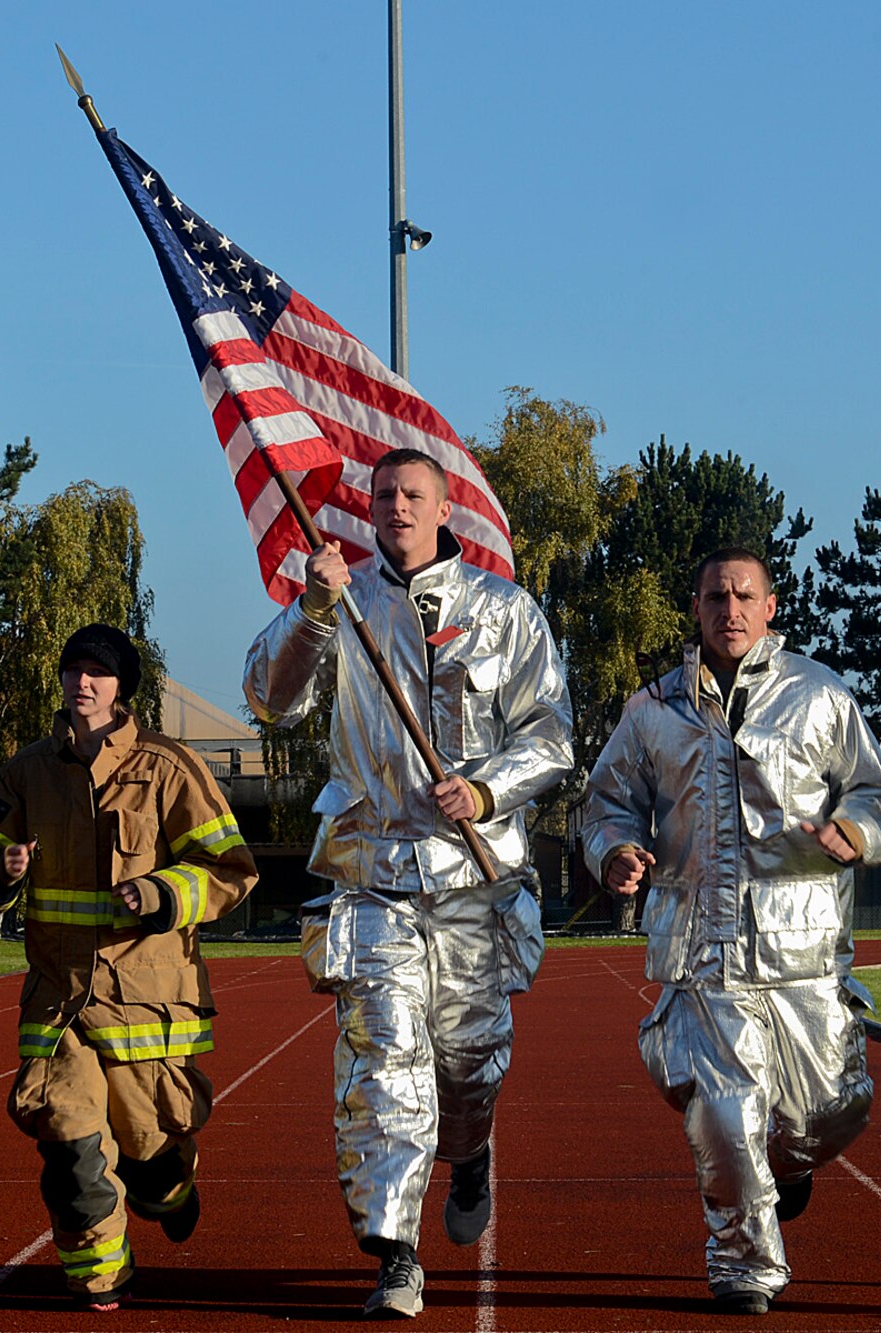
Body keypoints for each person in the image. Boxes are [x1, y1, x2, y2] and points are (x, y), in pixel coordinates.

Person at [244, 447, 573, 1319]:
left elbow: (553, 735)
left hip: (475, 878)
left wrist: (490, 785)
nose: (396, 506)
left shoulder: (505, 611)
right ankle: (395, 1249)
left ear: (443, 506)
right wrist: (312, 610)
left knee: (468, 1064)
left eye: (412, 494)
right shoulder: (341, 602)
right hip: (371, 875)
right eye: (384, 493)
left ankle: (469, 1151)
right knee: (383, 1061)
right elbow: (269, 698)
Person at [580, 547, 881, 1316]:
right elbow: (604, 804)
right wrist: (616, 850)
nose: (730, 608)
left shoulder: (820, 696)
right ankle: (742, 1262)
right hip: (701, 951)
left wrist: (856, 830)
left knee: (829, 1112)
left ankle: (791, 1164)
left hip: (803, 950)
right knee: (726, 1111)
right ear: (695, 610)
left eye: (744, 595)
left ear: (770, 608)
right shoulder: (653, 709)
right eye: (715, 595)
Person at [0, 625, 257, 1311]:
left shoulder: (170, 768)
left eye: (97, 672)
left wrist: (165, 892)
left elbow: (232, 870)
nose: (80, 682)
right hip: (60, 1004)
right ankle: (100, 1275)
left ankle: (168, 1183)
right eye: (72, 670)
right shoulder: (27, 771)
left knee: (149, 1155)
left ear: (122, 689)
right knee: (68, 1136)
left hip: (147, 1004)